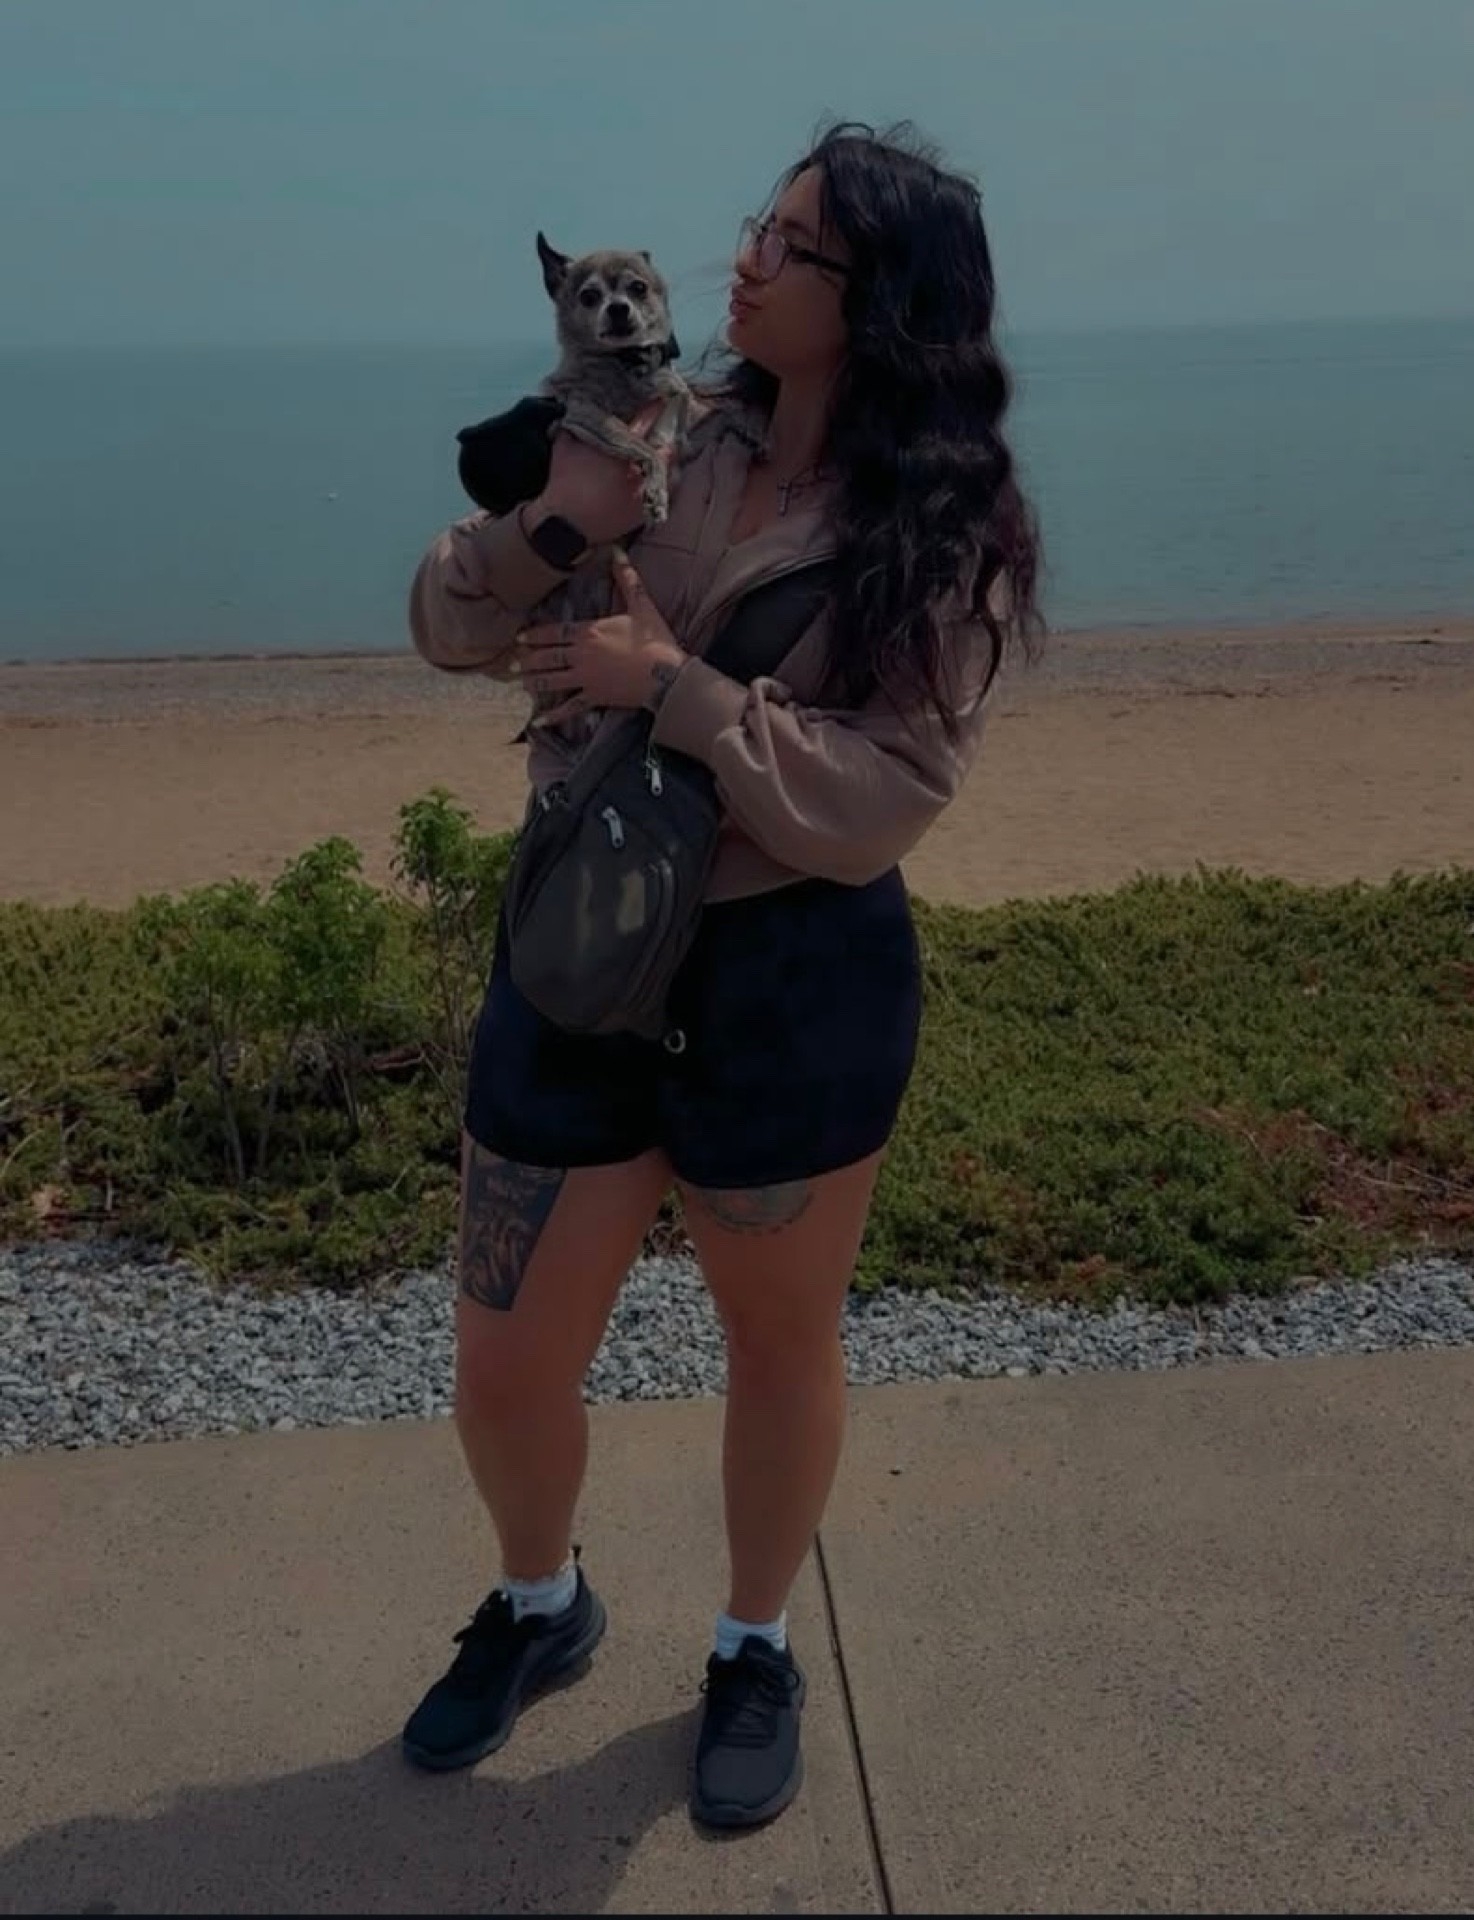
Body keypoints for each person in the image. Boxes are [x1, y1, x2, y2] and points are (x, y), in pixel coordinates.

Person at [400, 120, 1043, 1830]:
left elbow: (889, 793)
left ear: (882, 301)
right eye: (757, 225)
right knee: (502, 1361)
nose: (741, 261)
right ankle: (542, 1600)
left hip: (792, 979)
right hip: (581, 952)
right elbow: (445, 622)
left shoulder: (940, 521)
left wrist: (667, 687)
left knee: (777, 1344)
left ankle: (755, 1644)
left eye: (791, 245)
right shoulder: (644, 432)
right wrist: (558, 525)